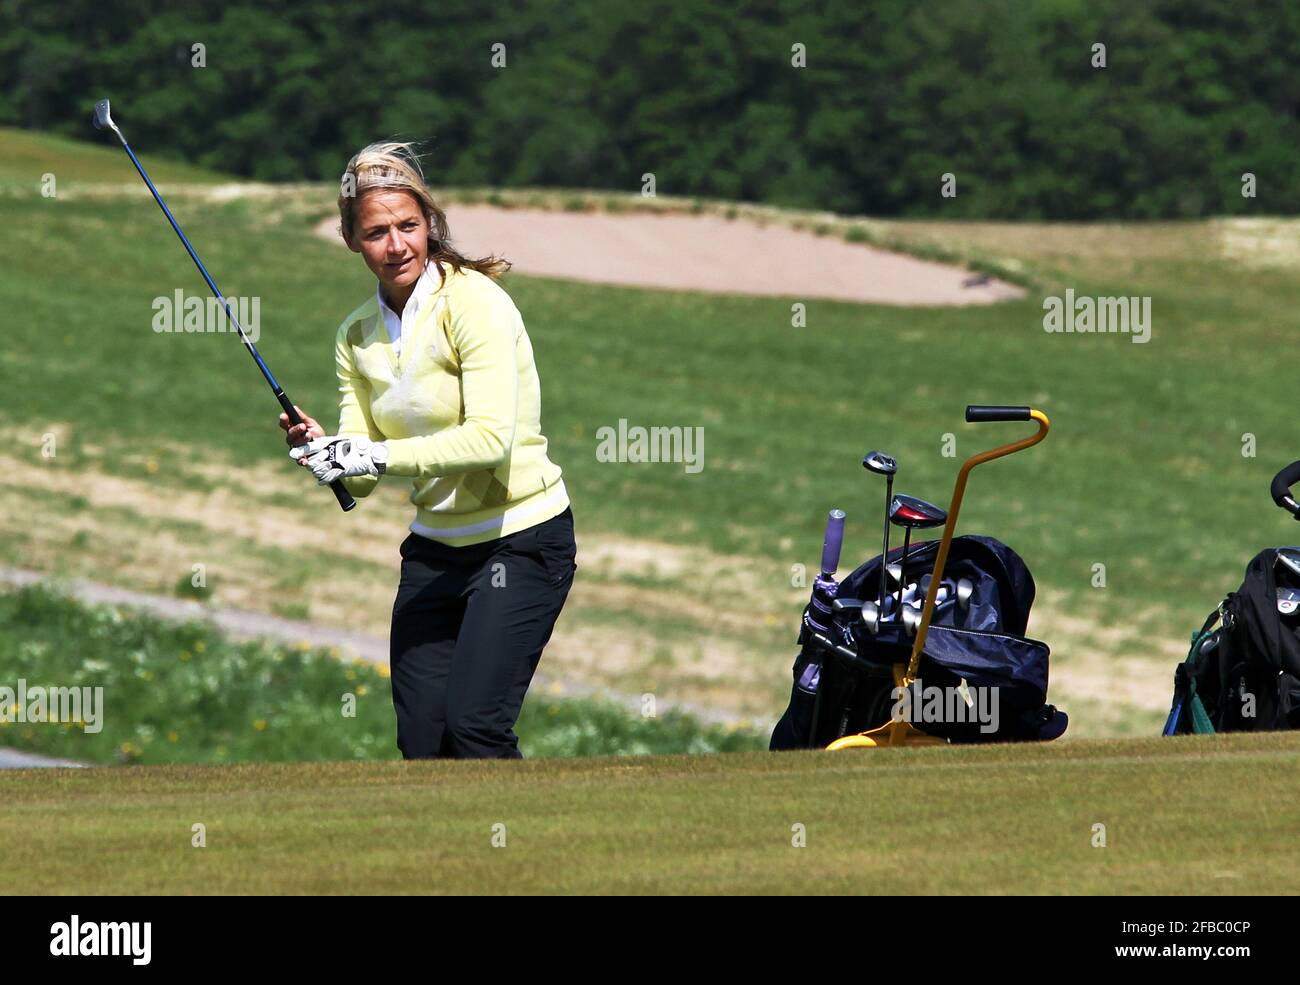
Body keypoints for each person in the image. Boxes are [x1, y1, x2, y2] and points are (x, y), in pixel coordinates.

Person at [280, 141, 575, 759]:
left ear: (431, 224)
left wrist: (374, 457)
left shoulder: (474, 303)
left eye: (409, 226)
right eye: (376, 233)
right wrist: (327, 453)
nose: (396, 246)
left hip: (519, 540)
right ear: (351, 239)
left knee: (474, 728)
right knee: (421, 742)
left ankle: (527, 851)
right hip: (436, 552)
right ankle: (453, 857)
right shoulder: (356, 334)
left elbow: (490, 439)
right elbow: (357, 479)